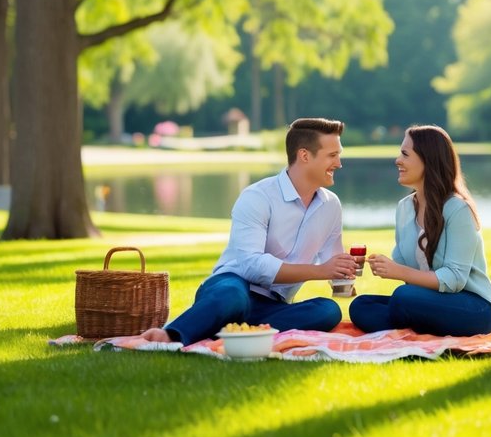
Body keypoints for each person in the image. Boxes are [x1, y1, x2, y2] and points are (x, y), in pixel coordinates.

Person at [139, 117, 358, 345]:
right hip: (232, 284)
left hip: (274, 305)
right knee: (232, 297)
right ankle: (171, 335)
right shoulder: (258, 197)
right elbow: (251, 266)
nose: (339, 163)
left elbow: (333, 259)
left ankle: (231, 329)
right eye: (332, 155)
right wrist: (320, 271)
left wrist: (342, 280)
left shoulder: (331, 205)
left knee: (327, 310)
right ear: (304, 156)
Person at [349, 124, 491, 337]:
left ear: (428, 160)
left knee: (403, 297)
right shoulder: (405, 207)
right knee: (361, 305)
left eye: (405, 154)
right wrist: (379, 264)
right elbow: (403, 264)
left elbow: (455, 279)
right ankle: (421, 324)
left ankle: (412, 323)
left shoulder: (458, 209)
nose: (397, 160)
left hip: (474, 308)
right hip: (427, 300)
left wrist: (398, 272)